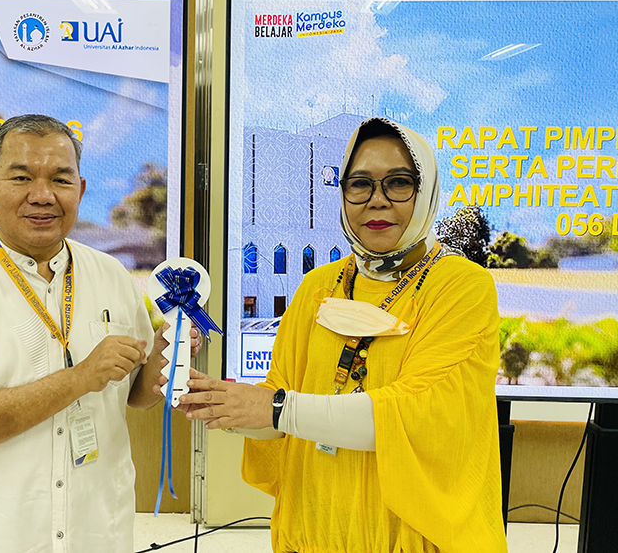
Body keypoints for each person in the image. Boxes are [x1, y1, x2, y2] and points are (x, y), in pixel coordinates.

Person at [172, 117, 507, 552]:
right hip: (314, 533)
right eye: (360, 184)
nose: (377, 201)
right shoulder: (318, 286)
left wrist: (274, 408)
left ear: (425, 192)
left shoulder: (461, 286)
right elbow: (279, 415)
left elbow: (414, 415)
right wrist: (224, 407)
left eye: (399, 183)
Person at [0, 114, 195, 552]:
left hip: (95, 534)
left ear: (80, 190)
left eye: (60, 180)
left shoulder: (111, 275)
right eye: (22, 177)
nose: (42, 195)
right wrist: (81, 377)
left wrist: (164, 353)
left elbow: (134, 394)